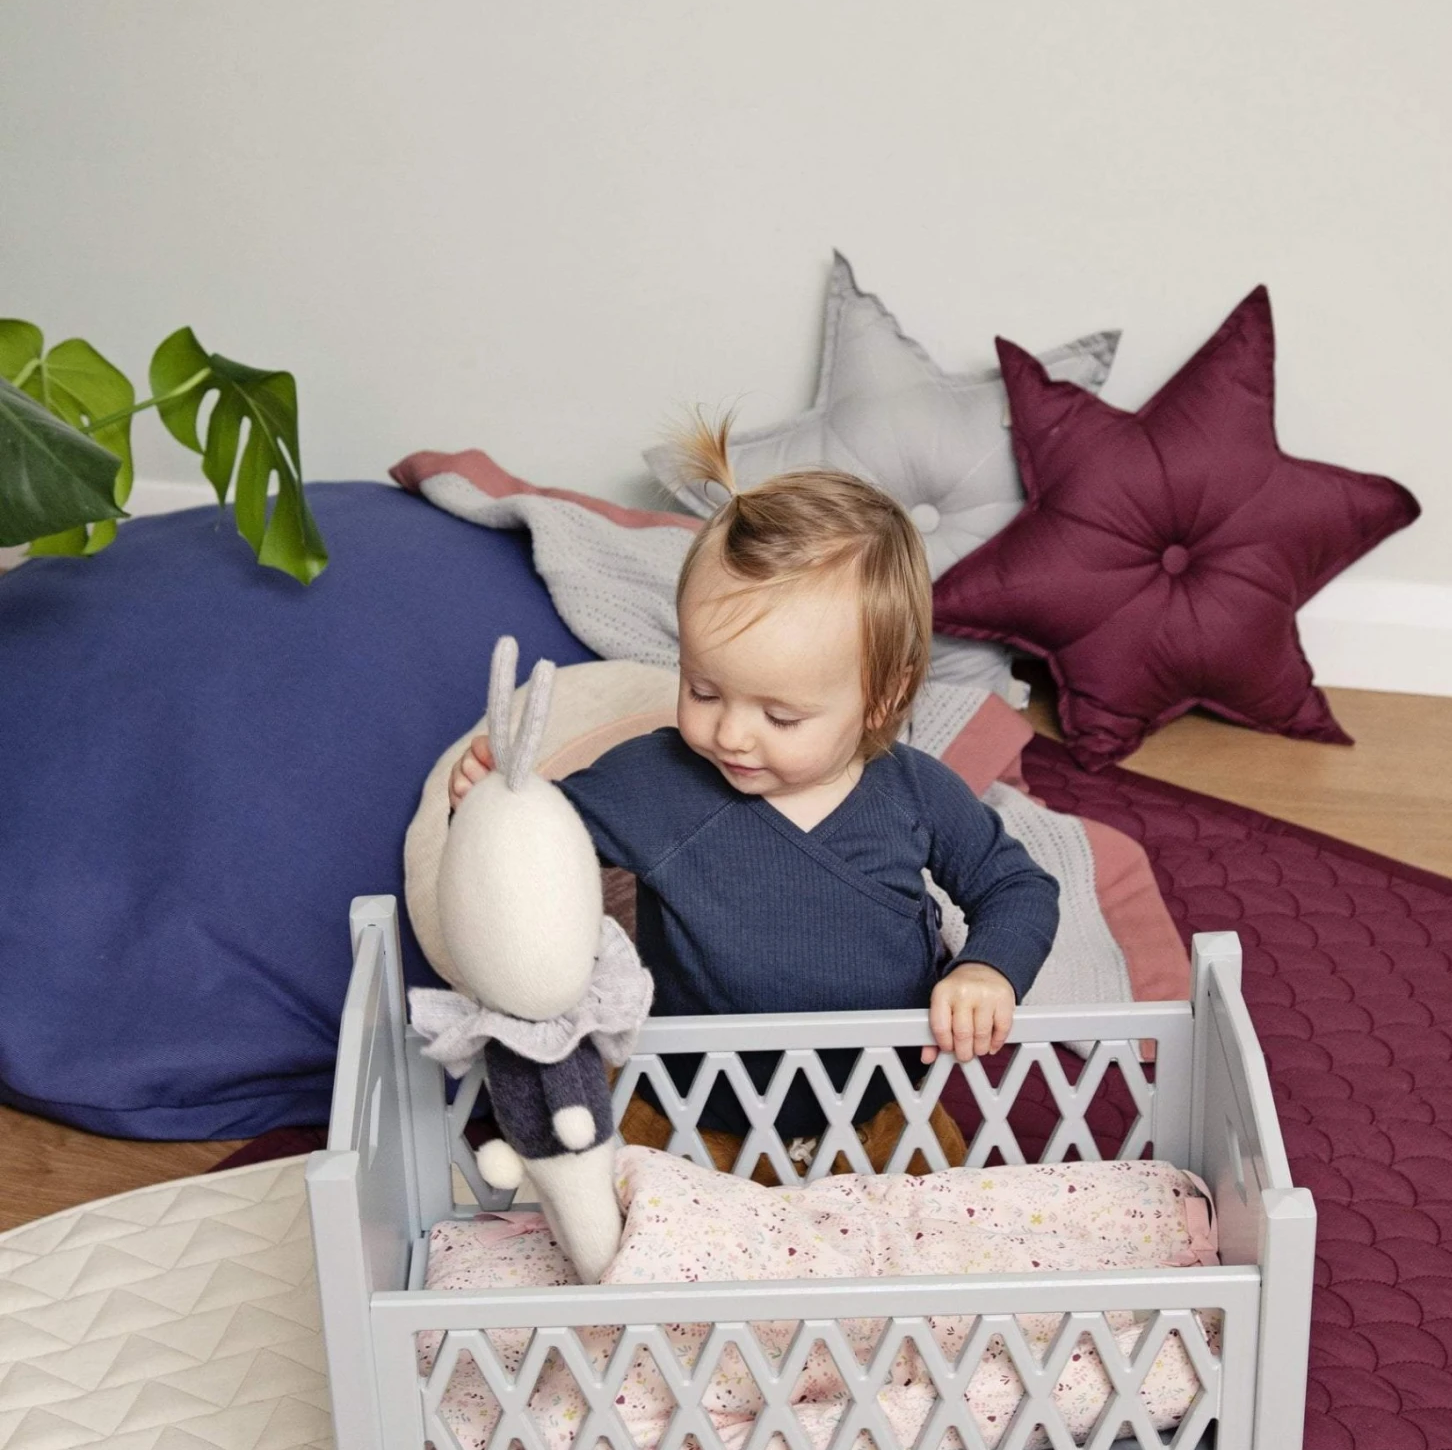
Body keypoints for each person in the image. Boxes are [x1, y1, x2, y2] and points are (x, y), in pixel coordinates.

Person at [449, 420, 1059, 1115]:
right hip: (684, 1111)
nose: (731, 735)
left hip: (884, 1110)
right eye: (703, 691)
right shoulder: (654, 780)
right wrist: (488, 807)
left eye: (781, 716)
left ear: (882, 698)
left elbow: (1016, 885)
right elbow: (534, 853)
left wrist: (987, 968)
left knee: (947, 1189)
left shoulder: (915, 794)